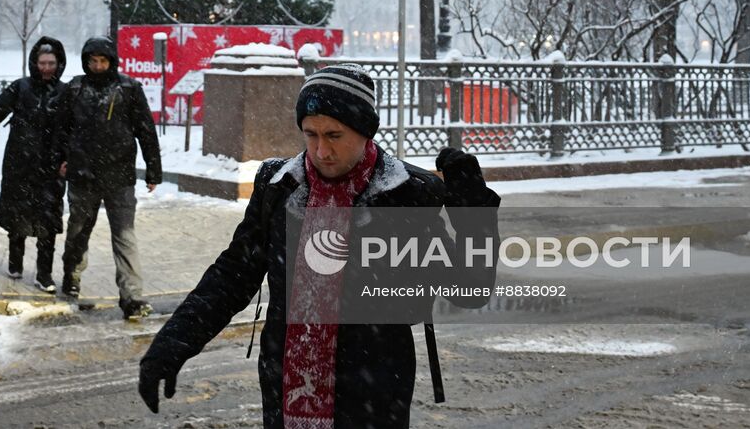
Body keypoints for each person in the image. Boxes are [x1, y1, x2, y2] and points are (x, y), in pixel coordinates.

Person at [137, 63, 500, 428]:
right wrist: (174, 342)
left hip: (373, 393)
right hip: (289, 385)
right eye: (310, 134)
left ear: (364, 132)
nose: (321, 150)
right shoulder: (279, 187)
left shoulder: (404, 195)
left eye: (334, 134)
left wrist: (473, 212)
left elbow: (470, 289)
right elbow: (233, 275)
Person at [53, 35, 162, 319]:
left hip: (120, 176)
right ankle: (72, 276)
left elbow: (145, 130)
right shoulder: (75, 89)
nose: (98, 66)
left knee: (125, 238)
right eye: (93, 61)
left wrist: (153, 170)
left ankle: (132, 297)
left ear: (112, 61)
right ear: (86, 62)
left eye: (103, 61)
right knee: (78, 232)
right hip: (82, 175)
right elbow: (60, 130)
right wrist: (61, 160)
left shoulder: (128, 89)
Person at [0, 37, 68, 291]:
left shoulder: (66, 92)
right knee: (18, 216)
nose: (47, 68)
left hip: (52, 166)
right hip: (20, 164)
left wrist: (70, 158)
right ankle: (15, 263)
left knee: (48, 221)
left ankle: (44, 274)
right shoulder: (21, 87)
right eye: (42, 63)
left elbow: (75, 129)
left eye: (51, 63)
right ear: (34, 63)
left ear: (59, 64)